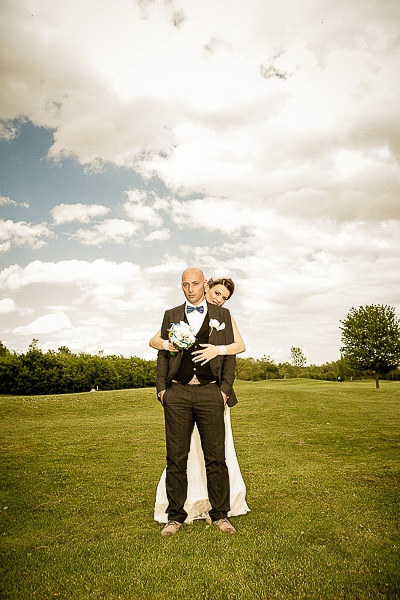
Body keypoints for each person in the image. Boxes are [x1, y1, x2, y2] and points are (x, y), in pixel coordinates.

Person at [152, 269, 249, 537]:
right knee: (176, 457)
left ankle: (220, 515)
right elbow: (161, 353)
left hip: (210, 393)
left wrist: (224, 391)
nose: (190, 289)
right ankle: (175, 517)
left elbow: (230, 355)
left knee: (216, 458)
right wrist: (162, 390)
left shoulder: (222, 315)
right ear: (181, 286)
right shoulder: (171, 315)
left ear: (203, 284)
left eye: (195, 284)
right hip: (177, 393)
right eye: (186, 284)